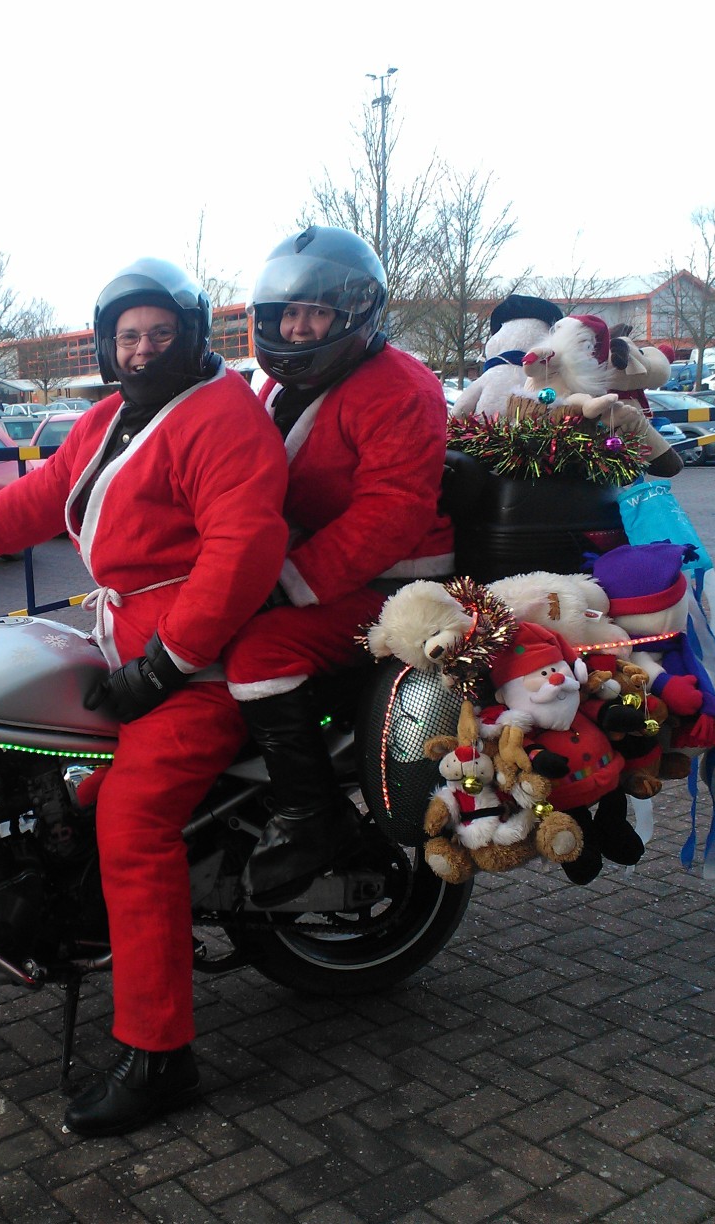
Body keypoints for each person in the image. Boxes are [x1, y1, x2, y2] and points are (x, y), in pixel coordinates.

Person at [0, 258, 290, 1136]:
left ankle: (161, 1055)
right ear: (109, 345)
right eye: (128, 336)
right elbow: (38, 498)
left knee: (133, 820)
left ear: (191, 339)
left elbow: (242, 551)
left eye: (159, 334)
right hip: (127, 642)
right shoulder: (114, 416)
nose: (143, 350)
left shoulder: (222, 420)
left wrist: (167, 665)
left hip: (202, 661)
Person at [226, 226, 455, 904]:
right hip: (318, 567)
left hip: (392, 585)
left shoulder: (399, 386)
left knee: (258, 654)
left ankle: (311, 819)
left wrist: (283, 584)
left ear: (353, 314)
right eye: (285, 315)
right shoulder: (273, 386)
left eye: (314, 314)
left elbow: (391, 514)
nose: (297, 329)